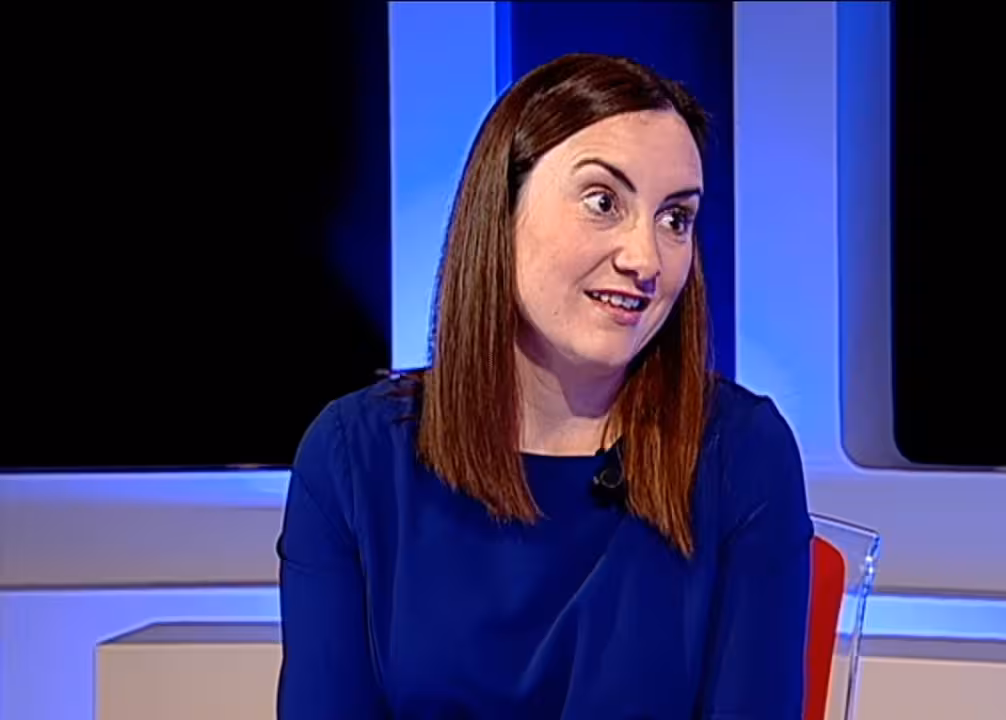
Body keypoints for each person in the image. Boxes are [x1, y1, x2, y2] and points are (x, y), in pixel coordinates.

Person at [276, 53, 814, 719]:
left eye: (675, 218)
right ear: (501, 210)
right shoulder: (352, 459)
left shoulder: (742, 453)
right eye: (603, 202)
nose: (645, 258)